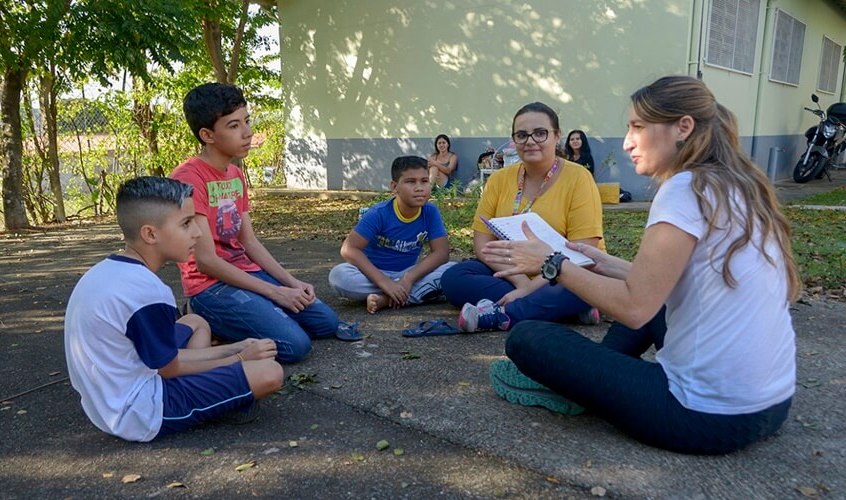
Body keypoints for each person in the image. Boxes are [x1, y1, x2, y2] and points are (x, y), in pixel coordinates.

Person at [484, 76, 799, 455]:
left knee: (528, 337)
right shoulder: (737, 185)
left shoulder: (684, 189)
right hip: (772, 404)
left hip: (707, 416)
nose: (627, 142)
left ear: (682, 127)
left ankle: (585, 386)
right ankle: (595, 381)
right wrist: (602, 264)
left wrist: (552, 263)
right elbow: (670, 282)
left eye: (637, 127)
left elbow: (635, 307)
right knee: (642, 311)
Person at [64, 177, 283, 442]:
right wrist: (240, 358)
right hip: (141, 412)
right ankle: (216, 399)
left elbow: (163, 361)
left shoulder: (106, 271)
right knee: (270, 373)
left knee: (195, 321)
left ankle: (214, 384)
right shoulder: (148, 292)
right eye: (186, 224)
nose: (198, 233)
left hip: (105, 403)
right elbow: (168, 369)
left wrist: (237, 347)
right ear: (150, 234)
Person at [170, 83, 339, 364]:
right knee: (295, 345)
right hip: (211, 287)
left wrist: (291, 282)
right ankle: (202, 315)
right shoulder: (189, 179)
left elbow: (248, 241)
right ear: (207, 135)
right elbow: (206, 262)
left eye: (247, 121)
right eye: (234, 125)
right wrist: (276, 293)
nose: (247, 132)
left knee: (326, 323)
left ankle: (242, 320)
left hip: (247, 274)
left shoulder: (235, 174)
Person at [441, 102, 604, 332]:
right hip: (512, 272)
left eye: (540, 133)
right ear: (513, 140)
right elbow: (483, 244)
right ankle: (563, 309)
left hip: (565, 272)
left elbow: (583, 252)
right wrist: (522, 283)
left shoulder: (579, 178)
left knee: (581, 286)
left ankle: (503, 315)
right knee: (454, 278)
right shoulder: (499, 180)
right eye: (522, 135)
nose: (530, 141)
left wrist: (530, 288)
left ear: (557, 136)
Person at [328, 156, 455, 313]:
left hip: (409, 274)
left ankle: (386, 299)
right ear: (395, 187)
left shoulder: (430, 212)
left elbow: (442, 253)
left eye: (424, 181)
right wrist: (384, 282)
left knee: (453, 272)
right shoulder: (379, 213)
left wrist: (408, 278)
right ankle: (402, 293)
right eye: (411, 182)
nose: (419, 188)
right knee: (338, 275)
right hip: (373, 275)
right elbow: (349, 249)